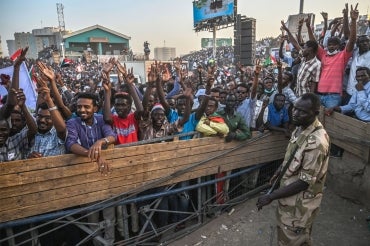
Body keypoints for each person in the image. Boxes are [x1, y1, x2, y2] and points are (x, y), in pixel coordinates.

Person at [256, 93, 330, 246]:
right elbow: (291, 156)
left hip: (300, 205)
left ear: (315, 113)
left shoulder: (316, 142)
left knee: (292, 239)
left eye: (302, 111)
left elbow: (304, 182)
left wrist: (271, 196)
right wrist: (278, 173)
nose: (295, 114)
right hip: (290, 199)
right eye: (295, 109)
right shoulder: (300, 128)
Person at [65, 92, 116, 245]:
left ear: (95, 108)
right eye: (79, 106)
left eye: (86, 107)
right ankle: (96, 243)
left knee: (109, 215)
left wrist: (100, 142)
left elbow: (112, 136)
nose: (82, 110)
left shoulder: (101, 119)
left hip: (105, 175)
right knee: (92, 217)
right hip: (86, 178)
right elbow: (71, 144)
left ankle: (110, 242)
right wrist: (93, 154)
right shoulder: (72, 123)